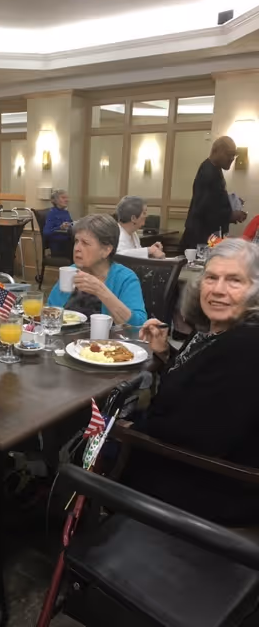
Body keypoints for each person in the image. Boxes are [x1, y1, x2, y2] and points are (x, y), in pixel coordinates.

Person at [122, 238, 259, 526]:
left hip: (208, 486)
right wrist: (165, 354)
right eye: (211, 277)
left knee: (90, 436)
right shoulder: (215, 332)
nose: (218, 289)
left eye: (234, 280)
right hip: (193, 459)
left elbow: (197, 434)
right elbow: (200, 387)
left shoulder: (247, 346)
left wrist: (127, 429)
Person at [47, 214, 147, 325]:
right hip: (67, 341)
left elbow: (138, 327)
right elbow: (50, 313)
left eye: (85, 243)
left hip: (108, 342)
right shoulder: (70, 272)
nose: (77, 248)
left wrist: (100, 291)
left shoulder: (125, 278)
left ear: (106, 250)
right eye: (76, 241)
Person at [180, 136, 247, 251]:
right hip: (200, 238)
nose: (232, 158)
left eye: (234, 154)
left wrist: (230, 202)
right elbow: (204, 209)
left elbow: (214, 200)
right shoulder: (208, 173)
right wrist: (231, 215)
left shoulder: (214, 169)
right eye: (229, 154)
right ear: (216, 151)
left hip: (208, 236)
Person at [44, 189, 73, 257]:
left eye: (66, 198)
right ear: (55, 200)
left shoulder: (66, 212)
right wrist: (60, 227)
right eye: (63, 198)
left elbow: (71, 225)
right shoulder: (52, 213)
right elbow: (46, 232)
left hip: (67, 241)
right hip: (58, 245)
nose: (66, 200)